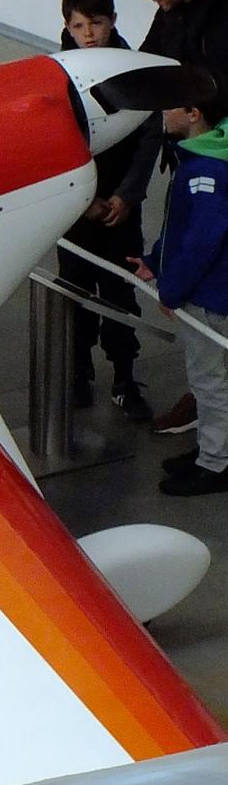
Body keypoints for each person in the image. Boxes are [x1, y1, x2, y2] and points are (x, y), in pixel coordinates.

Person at [130, 0, 228, 433]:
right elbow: (147, 64)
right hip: (193, 150)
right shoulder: (171, 13)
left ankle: (215, 416)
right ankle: (210, 399)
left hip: (215, 157)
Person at [56, 0, 153, 420]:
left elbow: (148, 135)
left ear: (113, 21)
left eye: (96, 23)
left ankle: (124, 377)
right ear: (67, 27)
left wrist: (127, 196)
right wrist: (84, 199)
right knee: (74, 294)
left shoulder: (134, 69)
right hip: (77, 210)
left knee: (120, 294)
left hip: (120, 207)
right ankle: (78, 376)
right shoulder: (57, 74)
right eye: (79, 26)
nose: (89, 34)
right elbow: (57, 142)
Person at [131, 101, 228, 496]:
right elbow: (180, 227)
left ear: (193, 114)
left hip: (208, 297)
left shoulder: (206, 170)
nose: (162, 114)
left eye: (170, 108)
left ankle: (216, 463)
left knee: (210, 383)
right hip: (205, 291)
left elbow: (203, 240)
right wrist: (156, 261)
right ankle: (212, 450)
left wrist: (172, 290)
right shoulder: (199, 159)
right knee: (212, 380)